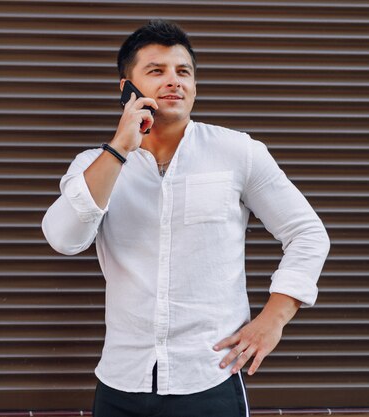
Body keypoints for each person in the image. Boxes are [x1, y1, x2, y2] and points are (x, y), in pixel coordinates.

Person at [41, 19, 330, 417]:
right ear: (126, 88)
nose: (174, 81)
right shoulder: (95, 164)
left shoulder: (237, 151)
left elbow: (307, 232)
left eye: (183, 72)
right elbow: (63, 238)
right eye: (156, 71)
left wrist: (274, 318)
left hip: (209, 376)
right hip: (122, 379)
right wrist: (121, 147)